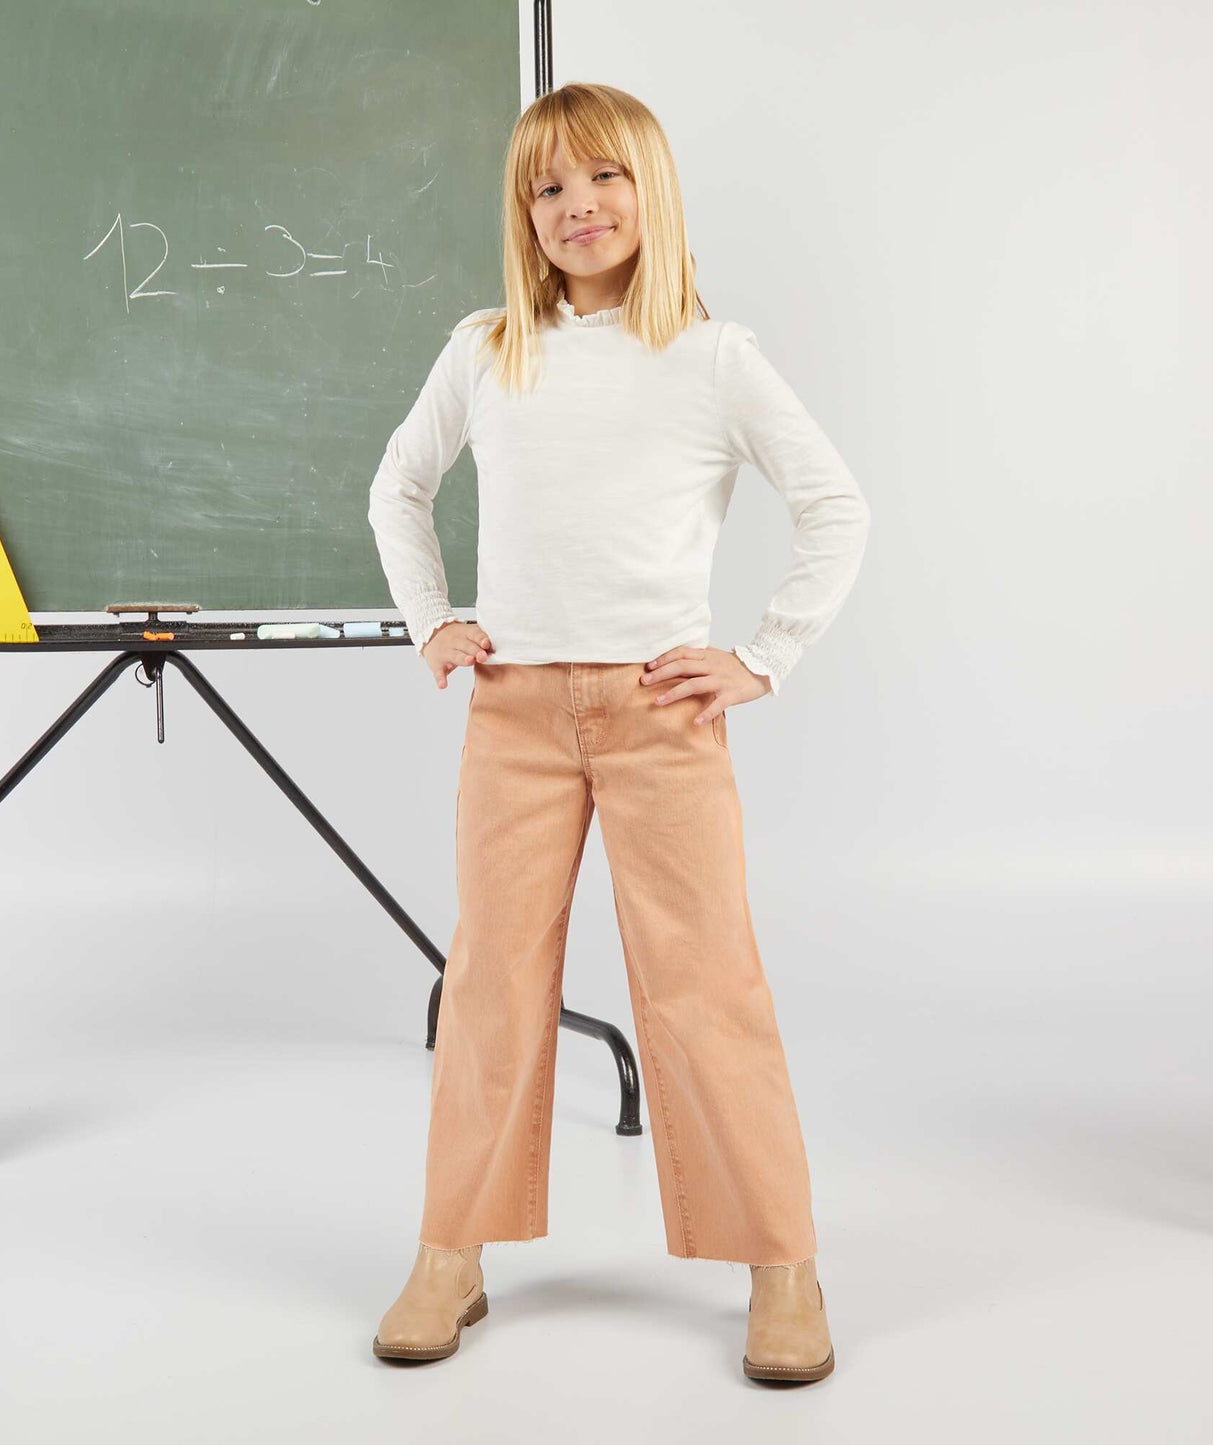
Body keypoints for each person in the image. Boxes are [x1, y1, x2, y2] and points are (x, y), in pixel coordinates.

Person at [365, 82, 870, 1384]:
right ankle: (449, 1250)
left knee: (705, 984)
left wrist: (761, 657)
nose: (575, 206)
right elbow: (397, 485)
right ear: (521, 216)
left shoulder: (711, 358)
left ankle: (781, 1260)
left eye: (602, 179)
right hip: (516, 713)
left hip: (660, 713)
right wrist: (432, 620)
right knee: (489, 982)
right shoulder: (486, 349)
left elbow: (834, 506)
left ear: (650, 191)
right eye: (545, 189)